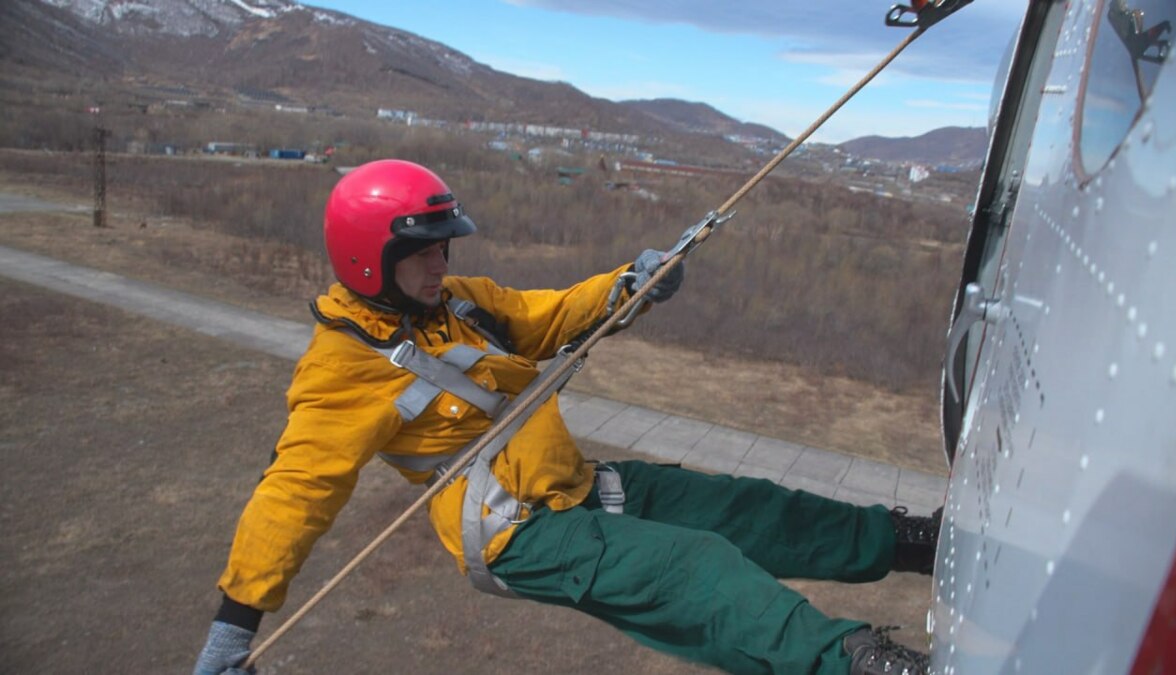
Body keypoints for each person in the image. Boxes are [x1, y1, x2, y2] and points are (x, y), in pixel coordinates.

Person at [194, 159, 942, 675]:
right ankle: (852, 661)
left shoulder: (456, 303)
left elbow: (544, 316)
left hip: (574, 486)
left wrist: (629, 284)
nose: (442, 261)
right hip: (516, 531)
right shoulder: (341, 368)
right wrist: (235, 627)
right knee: (697, 569)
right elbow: (294, 494)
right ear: (369, 257)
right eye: (423, 250)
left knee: (741, 508)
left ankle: (906, 540)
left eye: (444, 245)